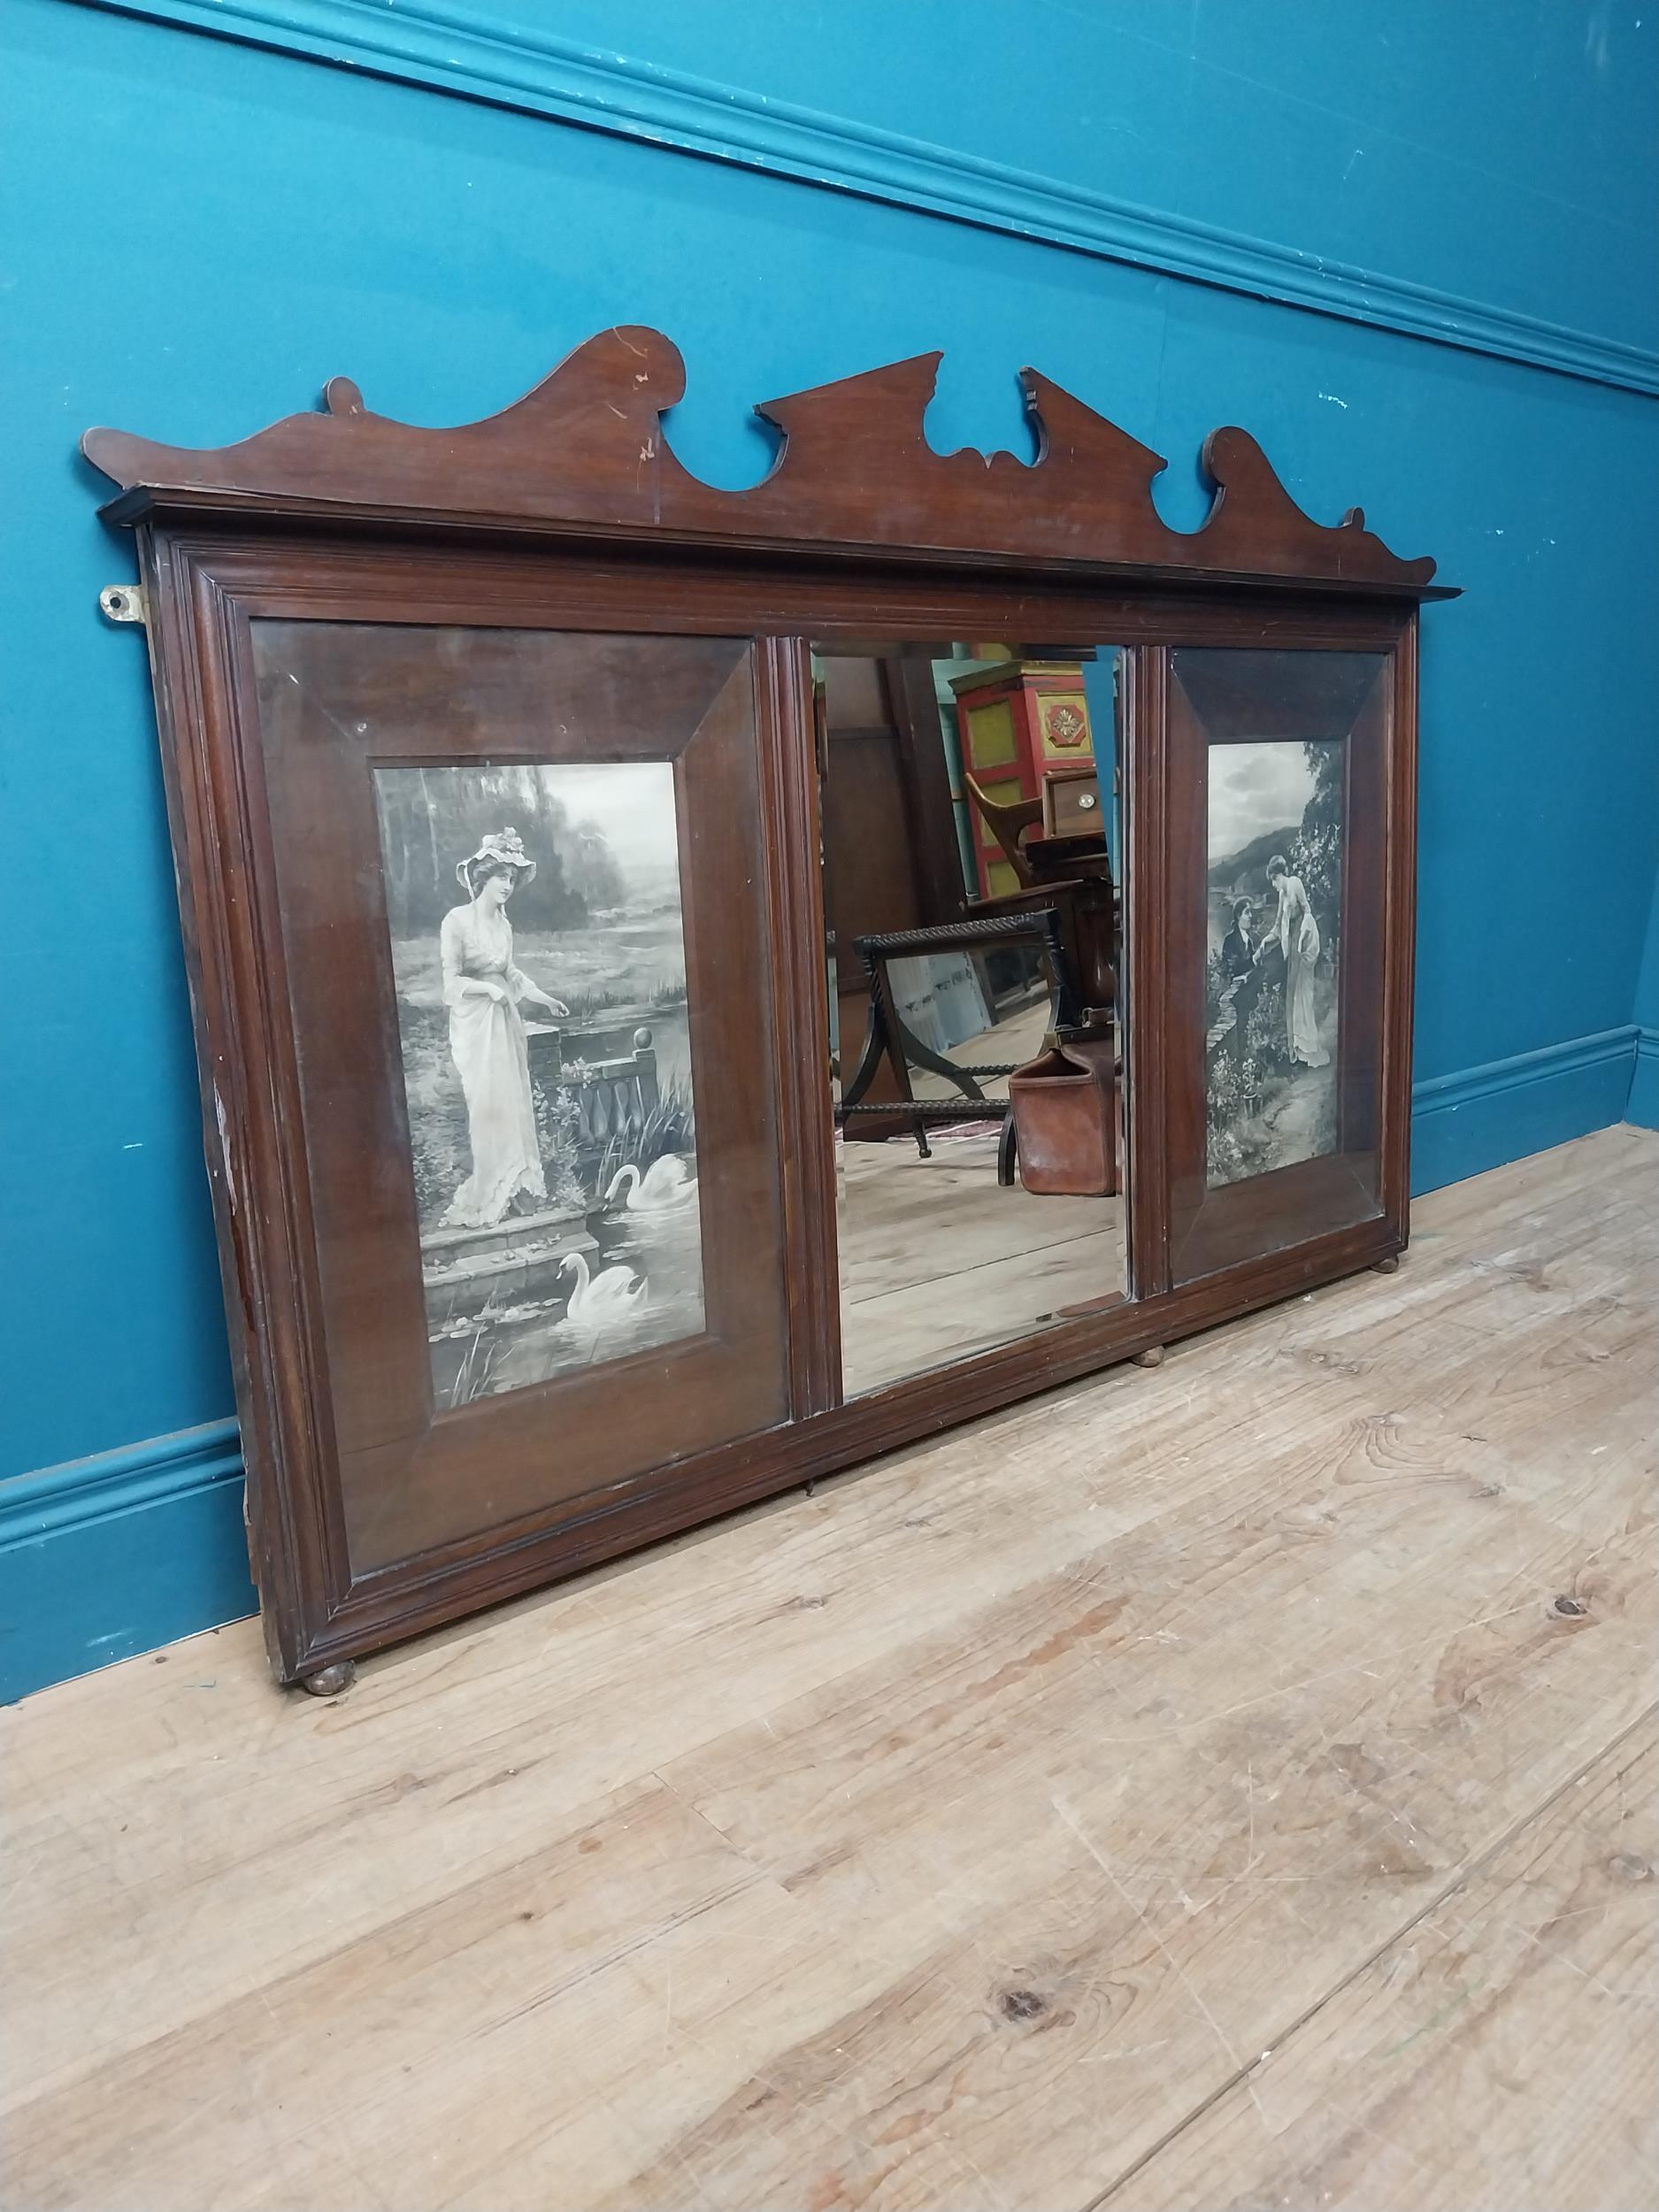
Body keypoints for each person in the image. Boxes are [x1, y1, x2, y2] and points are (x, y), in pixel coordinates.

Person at [440, 828, 569, 1227]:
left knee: (513, 1101)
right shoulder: (456, 921)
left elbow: (511, 973)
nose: (508, 886)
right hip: (476, 1023)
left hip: (506, 1022)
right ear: (483, 878)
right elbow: (450, 984)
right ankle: (490, 1192)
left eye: (512, 880)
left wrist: (545, 999)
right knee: (487, 1105)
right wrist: (486, 991)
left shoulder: (505, 926)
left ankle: (518, 1190)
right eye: (502, 877)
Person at [1258, 853, 1329, 1069]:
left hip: (1302, 941)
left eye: (1274, 879)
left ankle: (1309, 1046)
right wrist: (1264, 942)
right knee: (1292, 997)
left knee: (1303, 995)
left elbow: (1308, 912)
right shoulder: (1281, 895)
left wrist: (1302, 939)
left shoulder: (1295, 884)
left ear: (1279, 874)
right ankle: (1295, 1049)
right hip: (1291, 950)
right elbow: (1278, 927)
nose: (1273, 884)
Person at [1220, 898, 1257, 979]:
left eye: (1250, 912)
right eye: (1247, 912)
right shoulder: (1230, 940)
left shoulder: (1250, 940)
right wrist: (1253, 959)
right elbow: (1231, 968)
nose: (1250, 916)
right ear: (1238, 916)